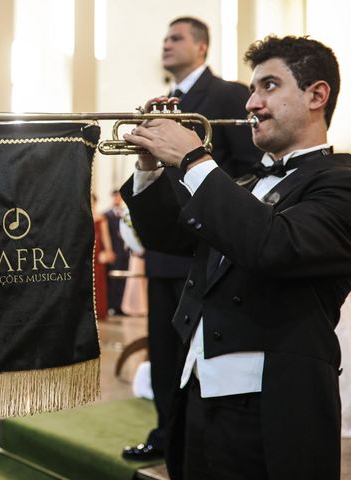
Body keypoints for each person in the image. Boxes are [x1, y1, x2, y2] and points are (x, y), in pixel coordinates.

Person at [120, 35, 348, 480]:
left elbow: (273, 245)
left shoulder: (341, 182)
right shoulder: (244, 183)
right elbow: (169, 235)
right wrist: (148, 166)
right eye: (251, 89)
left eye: (268, 86)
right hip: (197, 393)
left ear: (316, 95)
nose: (251, 104)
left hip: (271, 405)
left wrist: (192, 158)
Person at [123, 16, 261, 462]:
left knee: (194, 356)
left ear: (201, 48)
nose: (166, 44)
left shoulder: (228, 95)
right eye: (164, 37)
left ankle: (194, 440)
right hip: (167, 244)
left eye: (176, 37)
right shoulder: (162, 101)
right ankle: (166, 433)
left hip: (211, 248)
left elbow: (250, 169)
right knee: (163, 352)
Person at [104, 190, 131, 316]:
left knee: (123, 280)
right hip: (114, 251)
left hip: (124, 252)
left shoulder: (125, 214)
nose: (117, 199)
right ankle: (112, 305)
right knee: (113, 281)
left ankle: (121, 306)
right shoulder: (107, 215)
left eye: (119, 196)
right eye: (115, 196)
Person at [92, 193, 116, 321]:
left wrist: (108, 251)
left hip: (98, 253)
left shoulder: (101, 218)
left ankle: (99, 310)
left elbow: (106, 236)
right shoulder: (82, 216)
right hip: (87, 252)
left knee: (99, 282)